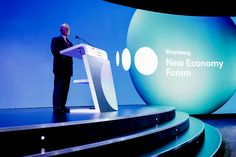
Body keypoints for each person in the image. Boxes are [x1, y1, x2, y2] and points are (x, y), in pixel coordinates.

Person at [51, 23, 73, 113]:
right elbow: (54, 50)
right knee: (58, 88)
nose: (68, 30)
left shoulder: (70, 43)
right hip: (59, 68)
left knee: (65, 89)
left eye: (69, 28)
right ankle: (57, 107)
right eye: (66, 28)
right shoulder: (56, 39)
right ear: (61, 30)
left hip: (68, 69)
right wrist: (63, 54)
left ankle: (63, 106)